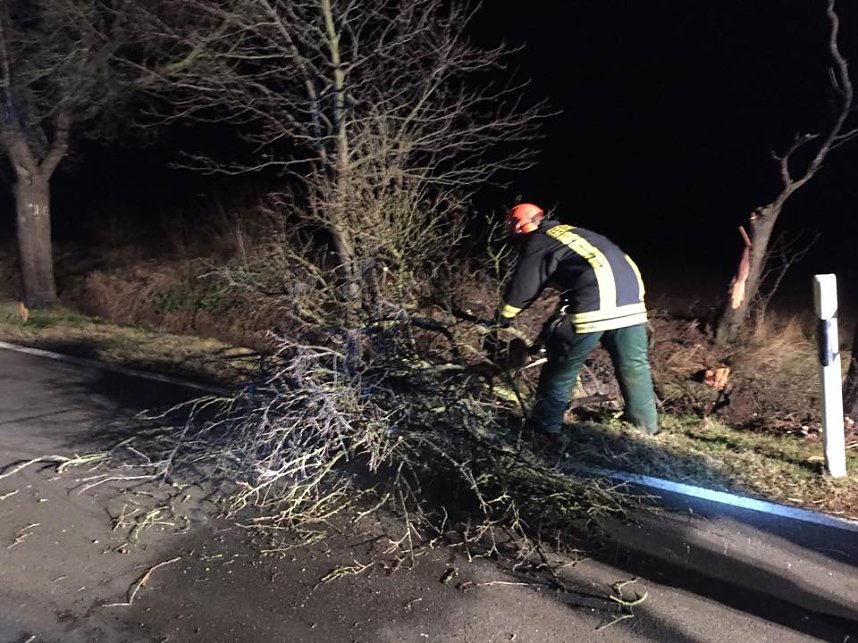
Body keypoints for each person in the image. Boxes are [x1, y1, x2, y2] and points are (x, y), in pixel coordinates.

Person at [491, 202, 659, 438]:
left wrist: (502, 317)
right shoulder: (575, 234)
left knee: (561, 366)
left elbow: (524, 286)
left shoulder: (539, 241)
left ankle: (544, 427)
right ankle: (645, 428)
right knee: (634, 366)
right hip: (631, 301)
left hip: (593, 303)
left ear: (519, 226)